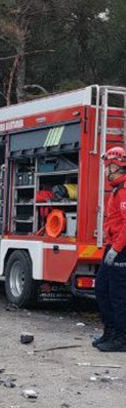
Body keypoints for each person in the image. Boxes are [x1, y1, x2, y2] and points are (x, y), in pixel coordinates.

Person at [94, 146, 126, 352]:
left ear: (119, 167)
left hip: (121, 249)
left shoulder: (123, 191)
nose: (107, 171)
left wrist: (115, 248)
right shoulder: (116, 190)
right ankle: (110, 331)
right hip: (112, 246)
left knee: (118, 294)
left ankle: (121, 338)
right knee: (102, 289)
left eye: (109, 167)